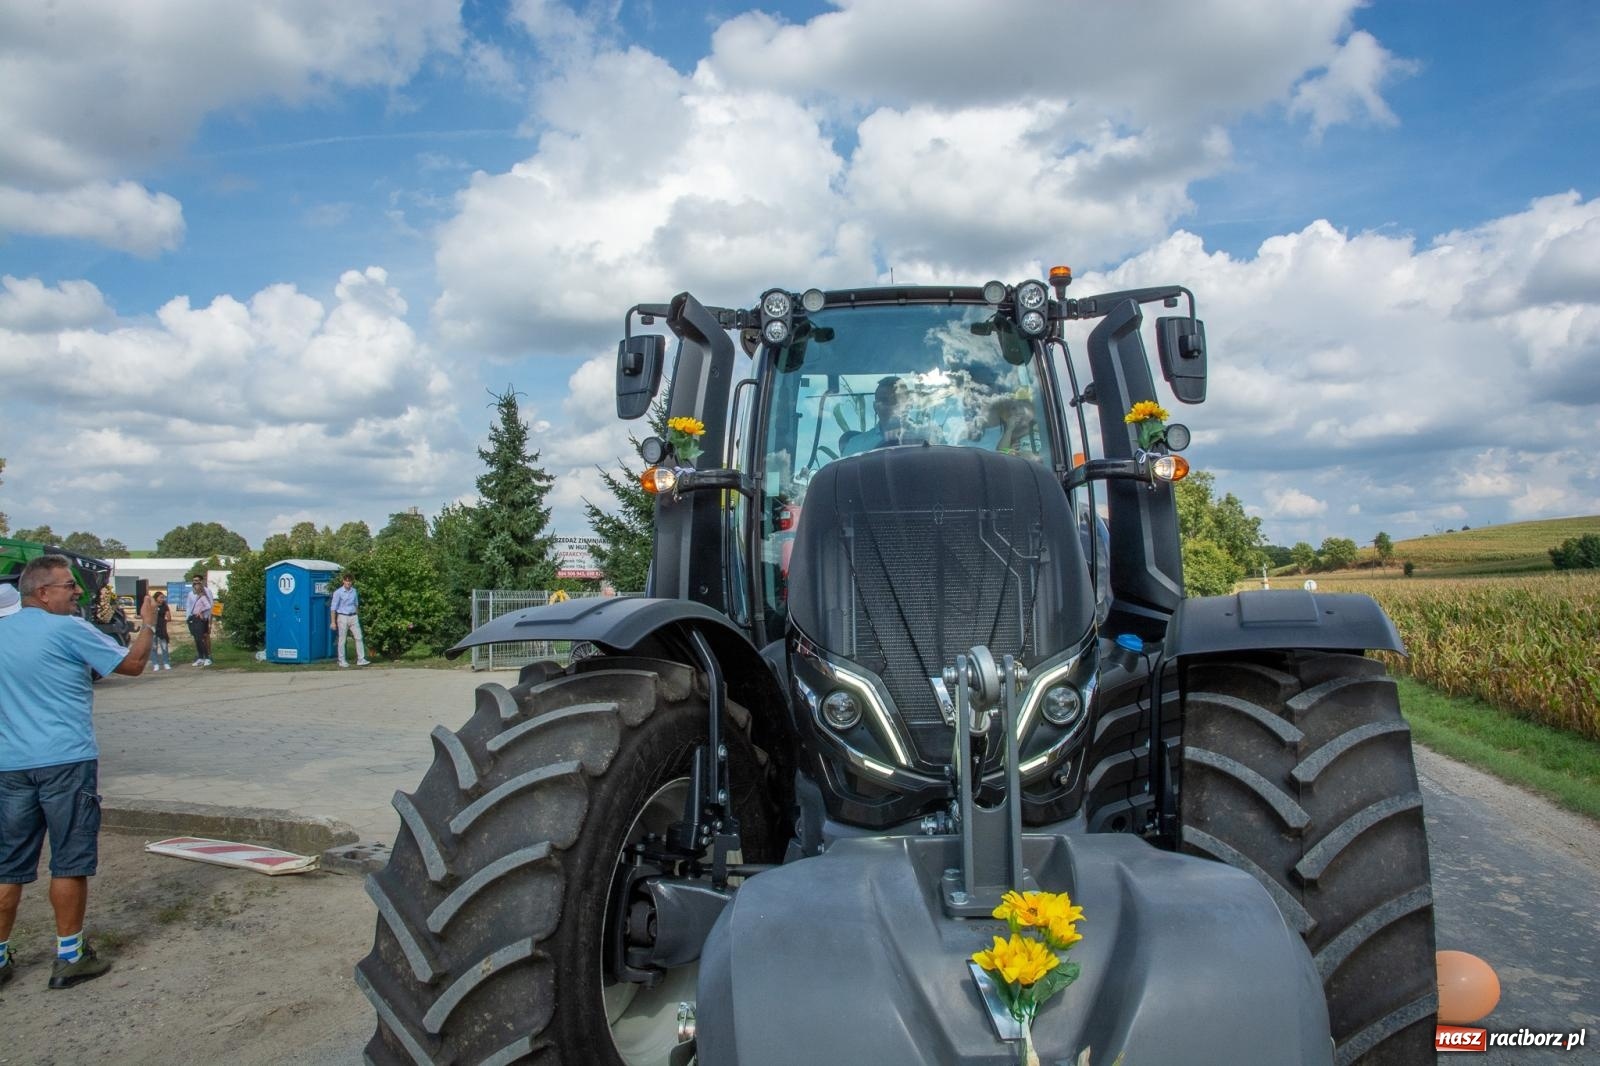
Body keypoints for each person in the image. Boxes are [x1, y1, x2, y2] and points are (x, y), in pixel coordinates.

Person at [0, 555, 155, 990]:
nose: (77, 593)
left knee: (7, 866)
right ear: (42, 592)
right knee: (69, 860)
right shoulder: (68, 629)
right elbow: (133, 665)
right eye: (69, 586)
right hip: (66, 762)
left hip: (9, 766)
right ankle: (69, 957)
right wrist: (146, 622)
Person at [842, 376, 912, 455]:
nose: (891, 406)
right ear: (875, 407)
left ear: (909, 404)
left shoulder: (926, 437)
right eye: (884, 400)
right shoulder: (856, 446)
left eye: (896, 400)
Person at [329, 574, 370, 668]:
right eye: (346, 581)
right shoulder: (338, 592)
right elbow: (333, 608)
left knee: (359, 637)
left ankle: (361, 659)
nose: (348, 582)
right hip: (342, 616)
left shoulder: (354, 591)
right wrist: (333, 622)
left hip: (353, 616)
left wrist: (357, 616)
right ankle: (342, 660)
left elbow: (356, 604)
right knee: (342, 639)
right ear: (343, 581)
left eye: (350, 581)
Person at [187, 576, 213, 666]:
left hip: (201, 619)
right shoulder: (191, 594)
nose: (195, 587)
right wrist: (188, 617)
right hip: (193, 618)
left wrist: (201, 612)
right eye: (194, 585)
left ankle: (207, 657)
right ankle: (200, 657)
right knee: (197, 639)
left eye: (197, 585)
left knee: (202, 638)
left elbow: (209, 606)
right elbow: (189, 606)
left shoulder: (203, 596)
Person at [149, 591, 172, 671]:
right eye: (161, 597)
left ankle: (166, 663)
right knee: (153, 647)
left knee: (164, 646)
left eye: (163, 597)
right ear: (156, 598)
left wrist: (167, 617)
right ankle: (155, 664)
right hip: (153, 628)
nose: (162, 599)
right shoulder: (151, 605)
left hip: (162, 628)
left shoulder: (164, 606)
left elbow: (169, 617)